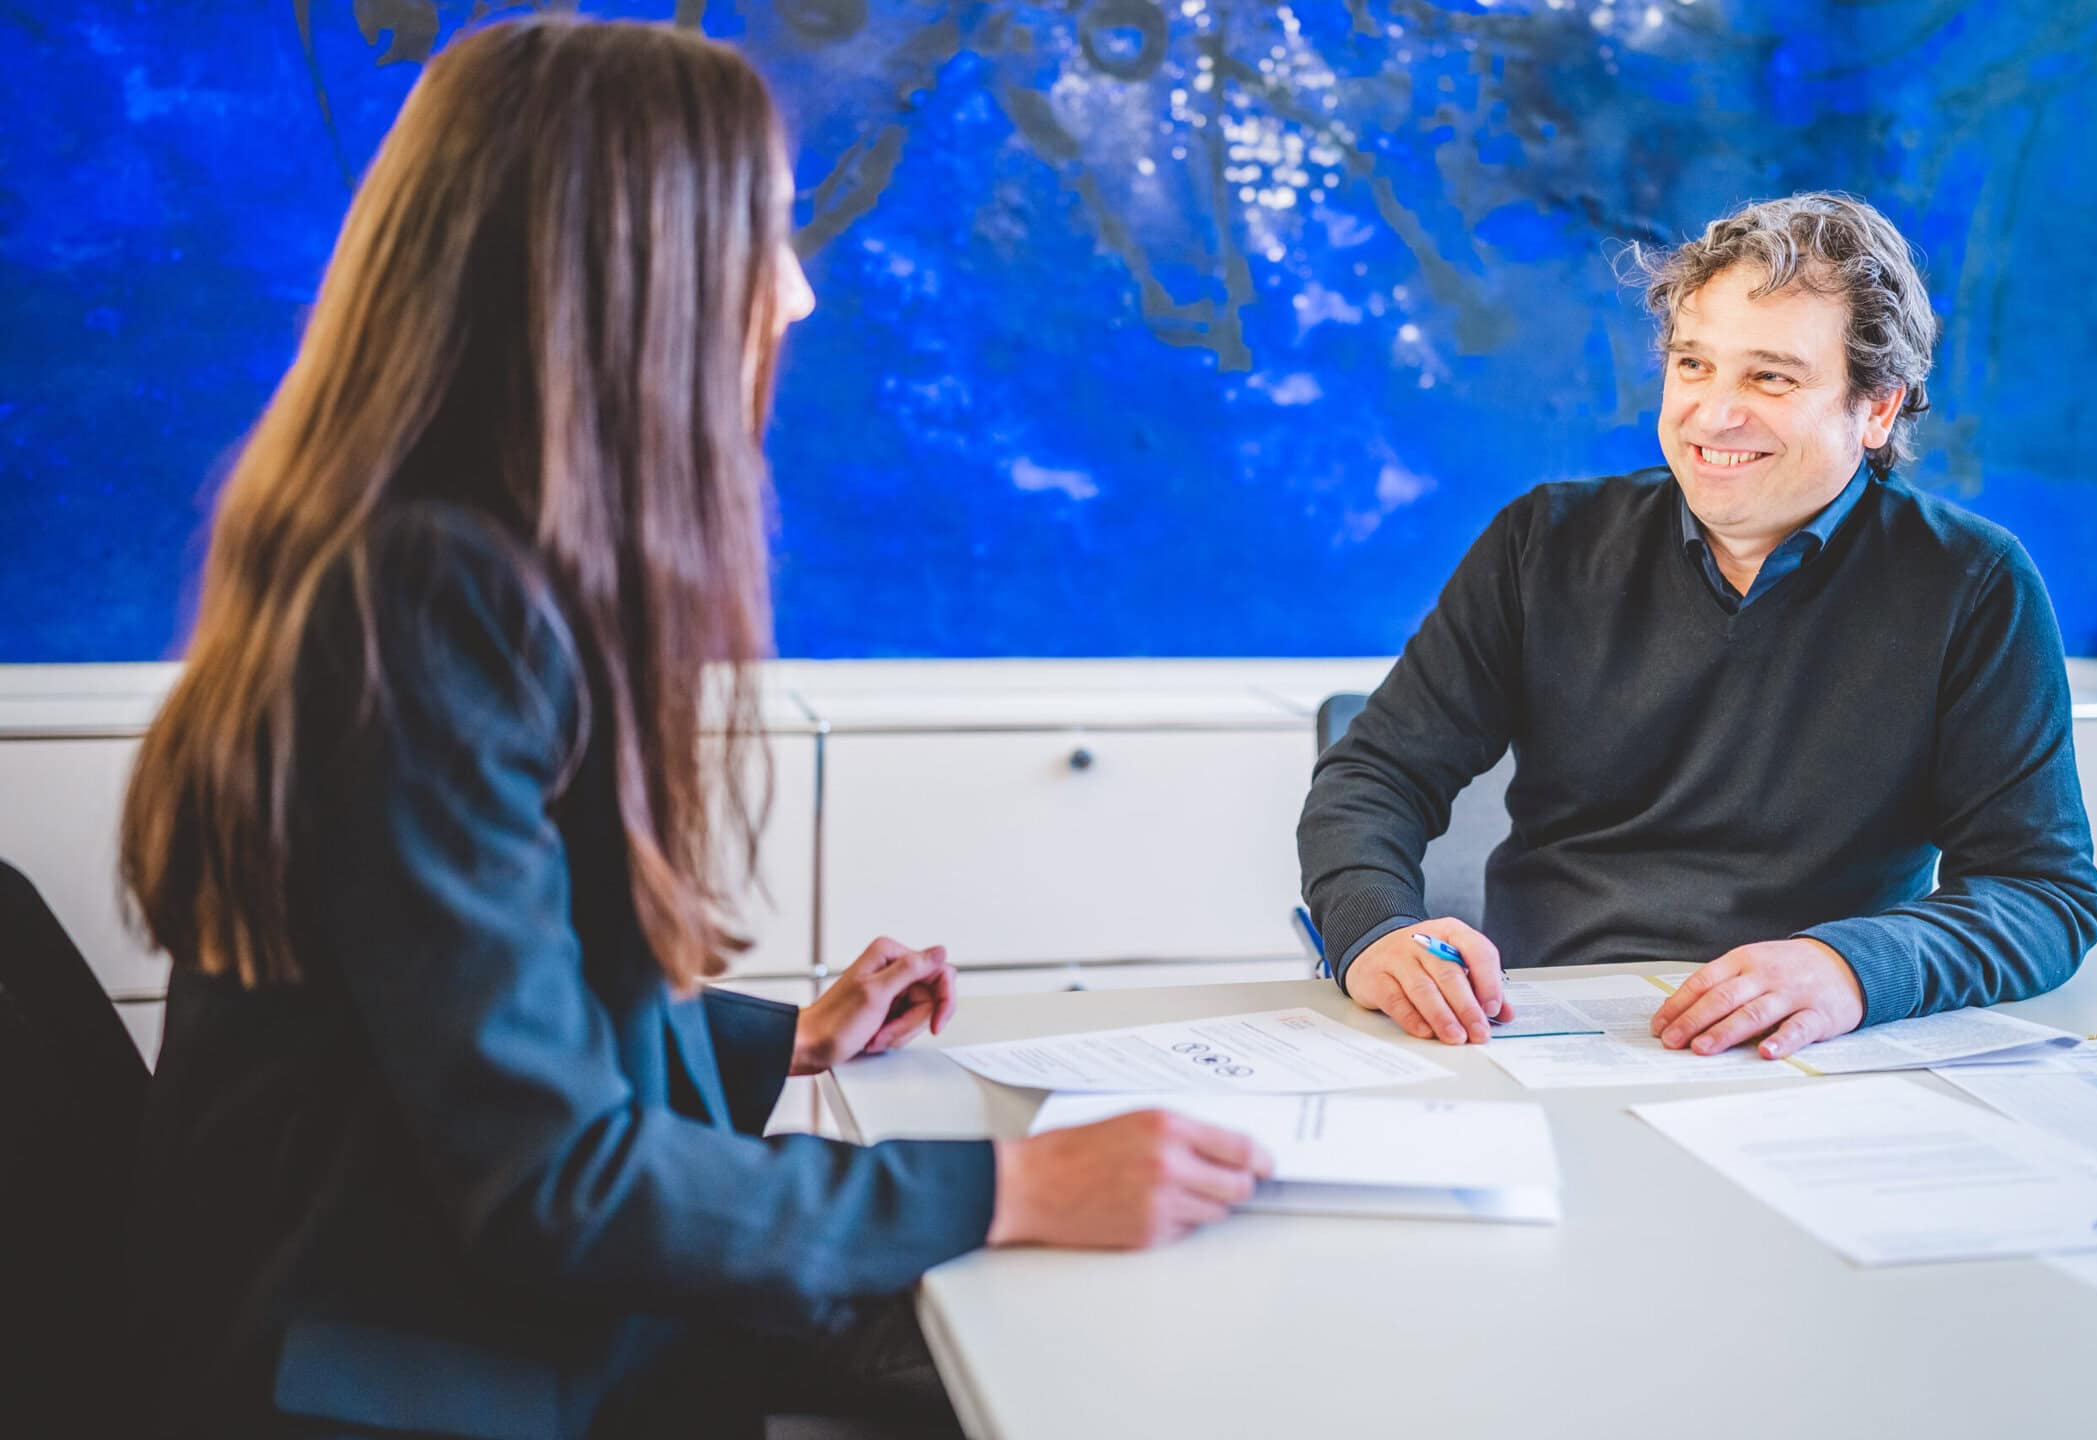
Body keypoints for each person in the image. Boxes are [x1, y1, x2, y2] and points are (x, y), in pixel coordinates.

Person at [120, 18, 1269, 1439]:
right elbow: (547, 1178)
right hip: (415, 1377)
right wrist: (1019, 1188)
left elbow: (463, 1003)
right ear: (624, 272)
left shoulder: (437, 563)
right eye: (762, 241)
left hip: (445, 1319)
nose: (792, 299)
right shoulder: (423, 600)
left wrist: (776, 1041)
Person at [1297, 192, 2097, 1063]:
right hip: (1535, 1034)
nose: (1714, 414)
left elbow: (2041, 891)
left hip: (1814, 1052)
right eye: (1693, 365)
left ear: (1876, 409)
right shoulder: (1543, 542)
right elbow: (1375, 774)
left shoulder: (1972, 581)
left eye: (1770, 376)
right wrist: (1374, 927)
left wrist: (1851, 968)